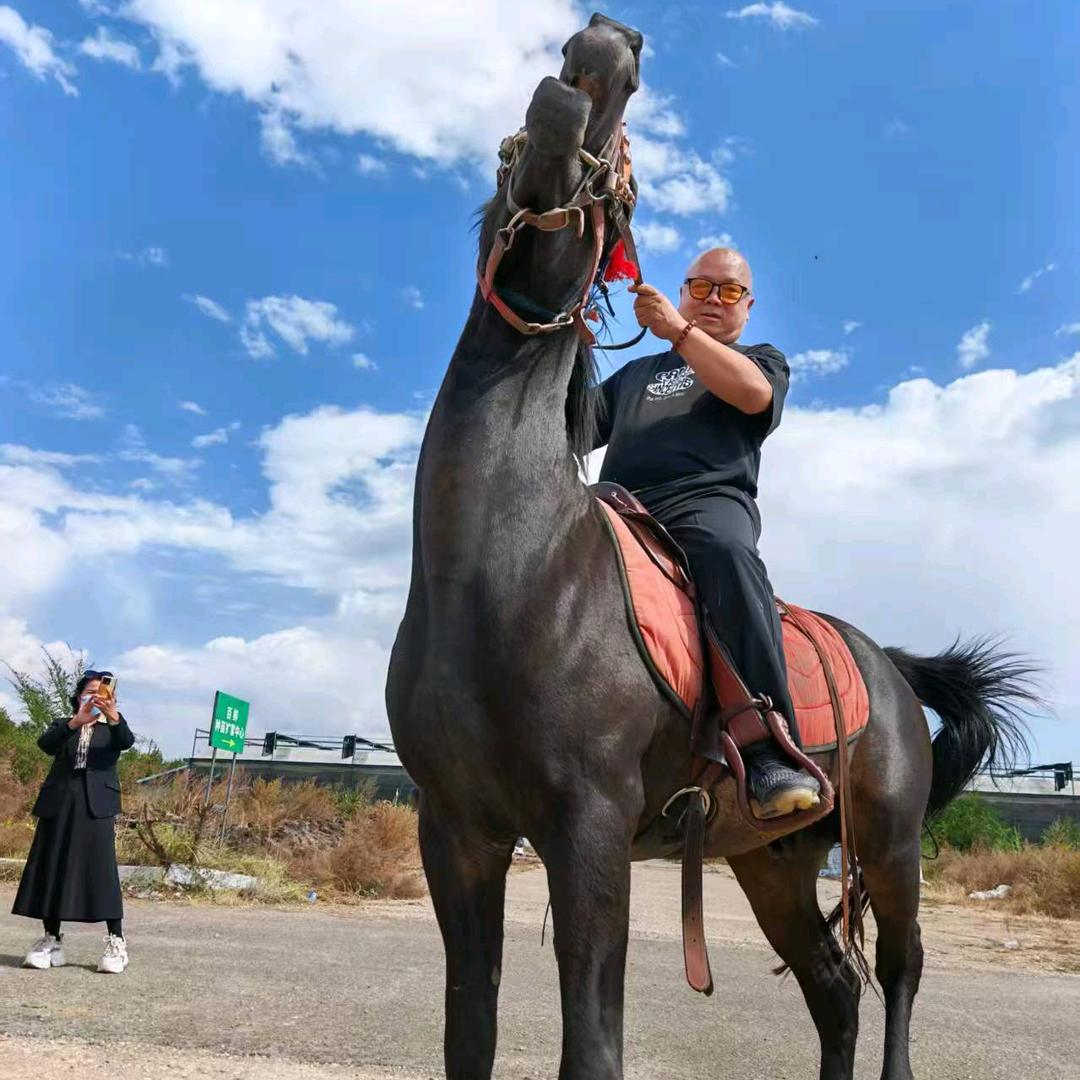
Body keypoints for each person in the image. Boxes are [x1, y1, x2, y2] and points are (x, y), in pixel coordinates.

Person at [593, 246, 820, 819]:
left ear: (748, 306)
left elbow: (752, 394)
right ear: (684, 287)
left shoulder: (760, 359)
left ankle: (767, 742)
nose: (714, 300)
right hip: (618, 504)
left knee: (727, 553)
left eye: (729, 291)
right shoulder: (635, 376)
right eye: (701, 287)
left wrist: (678, 330)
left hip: (705, 502)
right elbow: (565, 429)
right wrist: (567, 346)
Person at [13, 669, 135, 973]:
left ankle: (116, 942)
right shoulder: (65, 725)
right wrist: (75, 722)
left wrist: (114, 715)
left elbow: (127, 741)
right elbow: (46, 744)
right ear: (78, 696)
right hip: (60, 802)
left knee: (101, 869)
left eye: (101, 692)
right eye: (89, 691)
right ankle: (51, 940)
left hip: (97, 805)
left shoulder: (113, 727)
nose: (95, 696)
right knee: (52, 866)